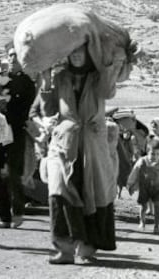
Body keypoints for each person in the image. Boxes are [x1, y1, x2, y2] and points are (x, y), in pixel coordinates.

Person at [39, 44, 119, 264]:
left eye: (80, 51)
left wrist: (109, 66)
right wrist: (45, 84)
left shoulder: (97, 76)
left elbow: (108, 92)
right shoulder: (60, 77)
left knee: (90, 191)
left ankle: (86, 247)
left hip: (92, 141)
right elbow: (47, 110)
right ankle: (64, 248)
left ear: (88, 54)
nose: (75, 55)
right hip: (63, 141)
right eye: (72, 51)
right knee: (58, 191)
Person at [0, 47, 36, 229]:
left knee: (14, 172)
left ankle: (17, 212)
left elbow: (27, 108)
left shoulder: (26, 83)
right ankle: (3, 216)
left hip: (15, 131)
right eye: (10, 55)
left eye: (16, 56)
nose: (12, 59)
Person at [127, 139, 159, 234]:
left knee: (157, 206)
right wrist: (130, 185)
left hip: (157, 188)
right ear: (147, 151)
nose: (155, 156)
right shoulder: (141, 161)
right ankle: (142, 222)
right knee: (143, 206)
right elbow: (134, 173)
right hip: (144, 188)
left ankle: (157, 227)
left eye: (158, 154)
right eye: (152, 153)